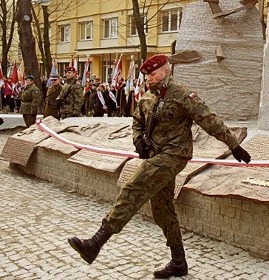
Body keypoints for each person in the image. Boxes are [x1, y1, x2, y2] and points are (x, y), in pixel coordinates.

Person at [67, 54, 252, 278]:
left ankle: (95, 243)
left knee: (133, 187)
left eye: (153, 74)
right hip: (155, 155)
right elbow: (137, 122)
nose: (149, 79)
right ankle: (178, 262)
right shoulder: (147, 98)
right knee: (162, 210)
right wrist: (137, 140)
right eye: (147, 76)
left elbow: (209, 119)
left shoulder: (182, 94)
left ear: (166, 71)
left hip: (175, 155)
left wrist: (233, 145)